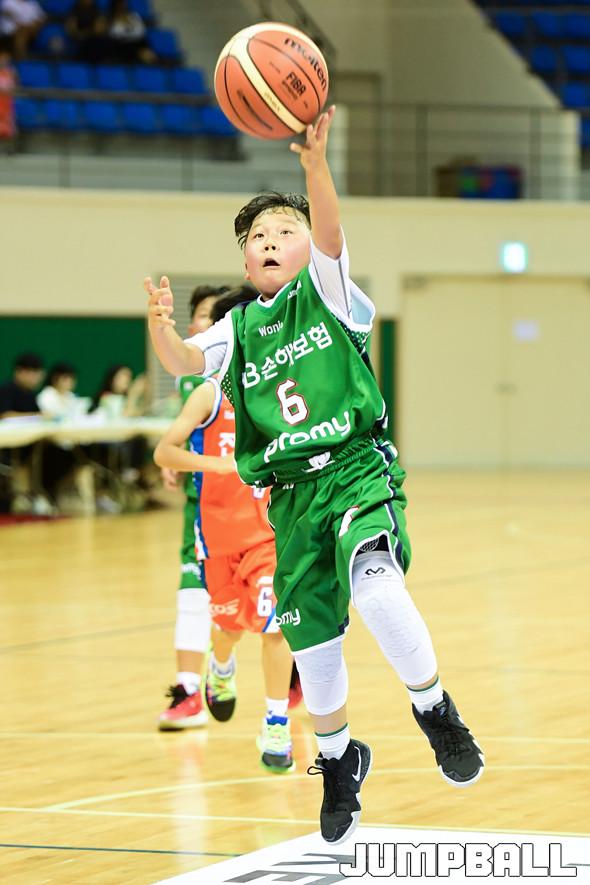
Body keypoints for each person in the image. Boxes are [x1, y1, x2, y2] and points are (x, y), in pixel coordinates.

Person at [145, 106, 484, 843]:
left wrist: (315, 167)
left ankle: (435, 709)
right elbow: (182, 361)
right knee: (315, 649)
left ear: (309, 247)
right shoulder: (238, 329)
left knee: (377, 588)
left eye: (283, 231)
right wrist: (161, 326)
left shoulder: (327, 290)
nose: (269, 241)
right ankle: (338, 760)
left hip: (354, 470)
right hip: (291, 497)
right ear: (246, 264)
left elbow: (329, 230)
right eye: (257, 238)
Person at [154, 286, 295, 772]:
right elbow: (164, 452)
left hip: (267, 535)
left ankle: (276, 723)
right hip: (217, 537)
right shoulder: (208, 393)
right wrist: (217, 466)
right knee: (230, 628)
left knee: (275, 628)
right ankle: (220, 666)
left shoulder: (279, 393)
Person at [156, 283, 229, 732]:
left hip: (261, 505)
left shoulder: (262, 367)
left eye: (216, 316)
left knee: (270, 601)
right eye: (203, 315)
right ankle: (188, 690)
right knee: (192, 592)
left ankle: (291, 675)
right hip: (204, 505)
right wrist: (178, 457)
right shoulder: (193, 378)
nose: (209, 323)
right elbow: (183, 432)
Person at [65, 0, 108, 64]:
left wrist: (86, 34)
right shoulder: (74, 10)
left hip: (93, 39)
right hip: (78, 39)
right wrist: (81, 34)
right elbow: (71, 28)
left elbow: (99, 29)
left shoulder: (97, 11)